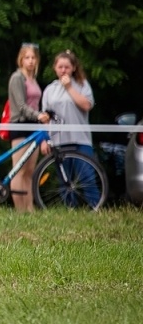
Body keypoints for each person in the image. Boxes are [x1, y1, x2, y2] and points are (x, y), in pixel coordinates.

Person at [41, 50, 99, 207]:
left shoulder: (82, 85)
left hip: (80, 140)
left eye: (67, 67)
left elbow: (87, 105)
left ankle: (96, 207)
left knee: (87, 177)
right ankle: (70, 211)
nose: (63, 70)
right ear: (55, 68)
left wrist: (69, 88)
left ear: (73, 68)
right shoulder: (50, 89)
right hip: (59, 141)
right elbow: (45, 117)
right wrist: (45, 139)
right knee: (65, 181)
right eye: (60, 67)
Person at [6, 43, 47, 212]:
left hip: (33, 125)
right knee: (19, 169)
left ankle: (30, 208)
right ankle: (19, 209)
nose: (30, 61)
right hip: (20, 124)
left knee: (30, 170)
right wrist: (38, 115)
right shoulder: (17, 78)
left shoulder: (33, 79)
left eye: (33, 58)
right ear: (21, 60)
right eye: (27, 58)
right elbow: (21, 105)